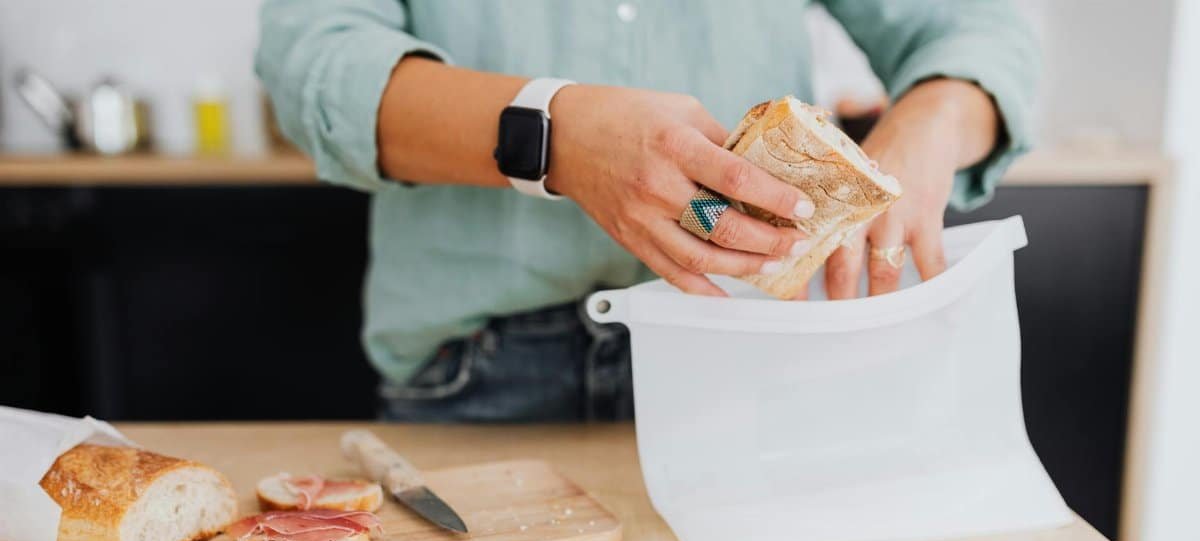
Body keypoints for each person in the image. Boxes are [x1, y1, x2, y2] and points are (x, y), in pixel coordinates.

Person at [257, 0, 1036, 423]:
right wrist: (552, 133)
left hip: (752, 356)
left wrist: (929, 123)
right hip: (478, 371)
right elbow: (316, 68)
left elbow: (982, 27)